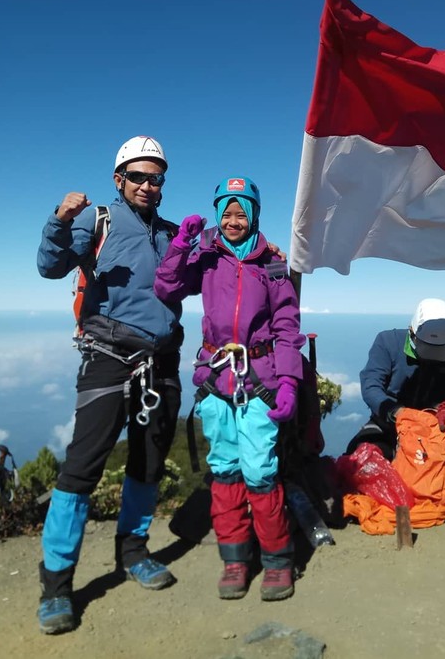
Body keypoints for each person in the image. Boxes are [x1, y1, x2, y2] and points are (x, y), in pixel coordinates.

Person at [36, 136, 184, 635]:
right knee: (82, 468)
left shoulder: (170, 234)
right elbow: (50, 266)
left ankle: (134, 553)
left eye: (155, 177)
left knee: (147, 464)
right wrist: (58, 220)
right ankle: (56, 586)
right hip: (107, 359)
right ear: (119, 180)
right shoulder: (95, 219)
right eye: (138, 176)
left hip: (161, 362)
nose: (147, 184)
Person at [154, 176, 306, 602]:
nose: (233, 220)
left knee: (260, 471)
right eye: (226, 212)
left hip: (260, 379)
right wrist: (181, 244)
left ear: (254, 215)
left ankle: (277, 560)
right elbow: (166, 287)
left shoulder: (273, 265)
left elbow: (287, 327)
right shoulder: (203, 254)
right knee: (224, 470)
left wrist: (290, 381)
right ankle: (235, 561)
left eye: (241, 212)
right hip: (217, 377)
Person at [345, 297, 445, 514]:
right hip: (387, 429)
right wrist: (394, 411)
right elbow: (371, 386)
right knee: (360, 465)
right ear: (412, 332)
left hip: (430, 440)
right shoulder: (388, 342)